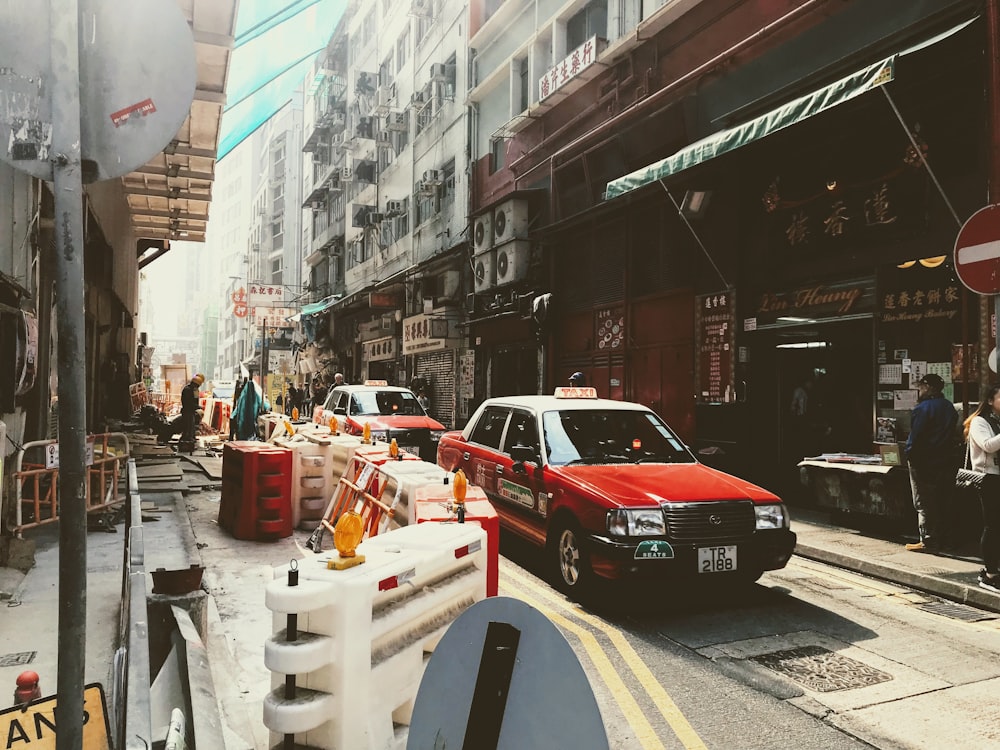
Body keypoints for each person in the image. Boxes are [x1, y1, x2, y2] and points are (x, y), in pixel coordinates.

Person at [904, 373, 958, 552]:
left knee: (924, 502)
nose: (919, 390)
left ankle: (927, 540)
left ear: (928, 388)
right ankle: (947, 540)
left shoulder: (923, 409)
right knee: (944, 500)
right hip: (946, 460)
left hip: (924, 462)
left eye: (921, 387)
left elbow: (916, 437)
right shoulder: (949, 407)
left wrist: (909, 454)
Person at [963, 384, 1000, 592]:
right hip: (988, 478)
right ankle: (990, 574)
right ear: (989, 401)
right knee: (993, 526)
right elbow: (987, 445)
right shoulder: (980, 422)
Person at [179, 373, 204, 450]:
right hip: (187, 412)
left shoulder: (194, 390)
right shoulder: (187, 390)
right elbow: (188, 403)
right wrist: (197, 407)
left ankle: (190, 441)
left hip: (191, 412)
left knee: (191, 428)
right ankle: (185, 443)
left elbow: (195, 401)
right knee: (187, 428)